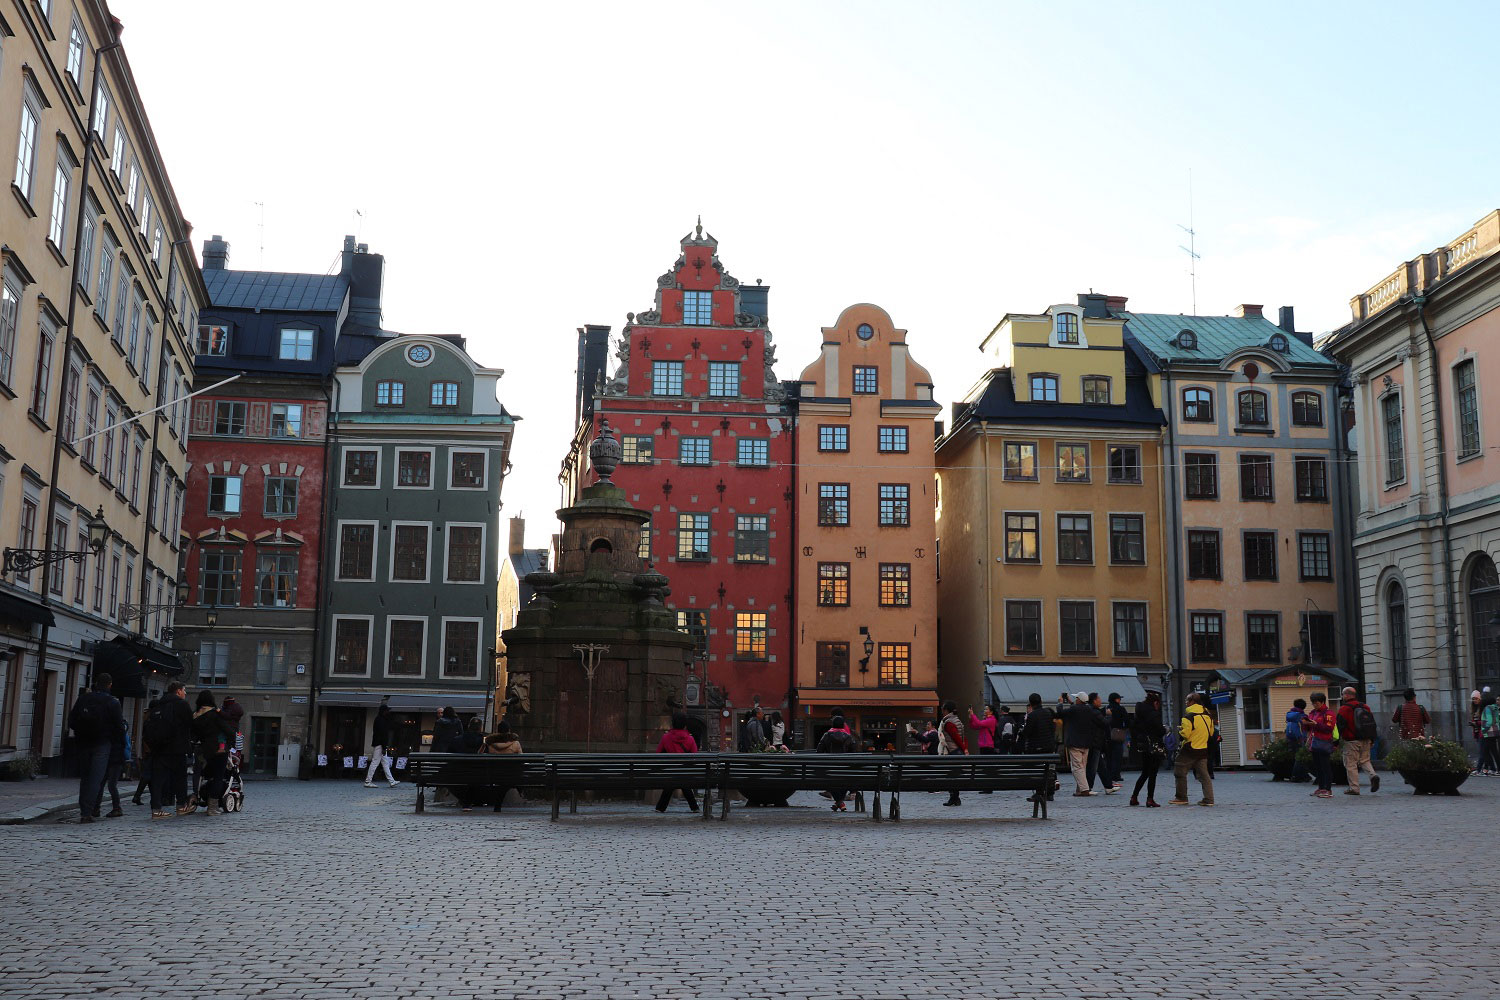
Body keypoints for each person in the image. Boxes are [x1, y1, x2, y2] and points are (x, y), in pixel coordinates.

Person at [69, 673, 124, 824]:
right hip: (102, 743)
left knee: (85, 778)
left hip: (83, 743)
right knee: (96, 779)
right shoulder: (113, 702)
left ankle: (84, 810)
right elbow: (120, 728)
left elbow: (72, 721)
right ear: (110, 685)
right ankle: (88, 811)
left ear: (95, 683)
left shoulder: (83, 699)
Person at [145, 681, 195, 819]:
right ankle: (181, 806)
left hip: (159, 749)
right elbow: (191, 724)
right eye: (184, 691)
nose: (185, 693)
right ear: (178, 691)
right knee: (180, 778)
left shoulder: (159, 704)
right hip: (177, 748)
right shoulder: (182, 704)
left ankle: (156, 809)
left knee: (158, 780)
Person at [190, 691, 237, 816]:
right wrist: (230, 742)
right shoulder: (214, 714)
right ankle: (212, 807)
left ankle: (197, 796)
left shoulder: (195, 715)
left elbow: (193, 735)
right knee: (217, 777)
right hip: (218, 750)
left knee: (201, 775)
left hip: (203, 750)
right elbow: (229, 731)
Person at [1169, 693, 1215, 806]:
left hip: (1189, 749)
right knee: (1204, 775)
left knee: (1179, 772)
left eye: (1187, 700)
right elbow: (1211, 733)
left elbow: (1186, 734)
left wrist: (1180, 730)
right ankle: (1209, 799)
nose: (1185, 702)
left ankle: (1181, 797)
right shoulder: (1207, 716)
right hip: (1203, 749)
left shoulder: (1188, 717)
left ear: (1192, 702)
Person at [1335, 686, 1379, 795]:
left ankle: (1354, 788)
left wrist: (1335, 742)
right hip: (1366, 739)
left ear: (1347, 695)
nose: (1342, 696)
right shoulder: (1365, 707)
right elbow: (1372, 724)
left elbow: (1339, 727)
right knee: (1365, 760)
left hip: (1351, 740)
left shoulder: (1343, 709)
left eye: (1343, 694)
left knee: (1351, 764)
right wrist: (1372, 739)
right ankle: (1373, 775)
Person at [1059, 692, 1105, 797]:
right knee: (1082, 767)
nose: (1075, 700)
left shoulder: (1075, 709)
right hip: (1087, 743)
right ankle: (1079, 790)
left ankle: (1084, 789)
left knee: (1077, 767)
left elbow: (1061, 712)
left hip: (1075, 742)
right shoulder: (1089, 710)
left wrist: (1060, 703)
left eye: (1076, 699)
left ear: (1079, 700)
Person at [655, 711, 700, 813]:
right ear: (684, 724)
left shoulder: (665, 737)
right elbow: (695, 757)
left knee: (673, 780)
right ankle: (694, 807)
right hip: (685, 773)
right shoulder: (690, 739)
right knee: (683, 780)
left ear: (673, 723)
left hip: (670, 772)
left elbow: (658, 754)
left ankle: (660, 807)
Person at [1017, 694, 1058, 803]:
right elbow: (1053, 728)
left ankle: (1039, 792)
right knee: (1049, 769)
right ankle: (1050, 792)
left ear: (1030, 703)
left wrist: (1021, 733)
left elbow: (1027, 732)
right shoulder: (1048, 713)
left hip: (1036, 748)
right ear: (1041, 701)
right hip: (1049, 746)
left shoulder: (1032, 715)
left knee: (1037, 770)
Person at [1129, 691, 1166, 807]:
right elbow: (1160, 730)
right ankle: (1150, 799)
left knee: (1144, 772)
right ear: (1155, 703)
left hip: (1143, 745)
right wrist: (1165, 730)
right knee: (1153, 773)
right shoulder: (1153, 714)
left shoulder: (1139, 713)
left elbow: (1134, 728)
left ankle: (1134, 797)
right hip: (1154, 745)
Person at [816, 715, 858, 811]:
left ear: (832, 724)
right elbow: (854, 753)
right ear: (843, 725)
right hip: (845, 770)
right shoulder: (849, 737)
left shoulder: (826, 735)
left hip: (829, 769)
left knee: (830, 780)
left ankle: (839, 802)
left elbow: (819, 751)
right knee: (845, 780)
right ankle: (839, 802)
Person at [1305, 692, 1337, 798]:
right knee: (1318, 767)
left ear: (1322, 702)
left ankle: (1328, 789)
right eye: (1313, 703)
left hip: (1324, 742)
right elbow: (1308, 728)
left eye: (1317, 703)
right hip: (1314, 743)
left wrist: (1316, 724)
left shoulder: (1328, 713)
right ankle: (1321, 787)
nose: (1315, 705)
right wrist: (1305, 724)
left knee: (1325, 766)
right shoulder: (1312, 713)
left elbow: (1328, 728)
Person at [937, 701, 968, 806]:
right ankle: (955, 798)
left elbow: (956, 738)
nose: (941, 711)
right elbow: (963, 737)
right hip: (958, 751)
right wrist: (965, 749)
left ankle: (954, 798)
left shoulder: (948, 722)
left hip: (952, 751)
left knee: (951, 776)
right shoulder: (957, 720)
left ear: (946, 710)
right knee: (955, 775)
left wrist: (964, 749)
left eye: (942, 709)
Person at [364, 704, 401, 788]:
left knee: (385, 763)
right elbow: (382, 735)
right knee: (375, 762)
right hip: (380, 744)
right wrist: (384, 747)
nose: (388, 712)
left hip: (379, 744)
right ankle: (368, 781)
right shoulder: (381, 720)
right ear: (384, 711)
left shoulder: (379, 719)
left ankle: (391, 781)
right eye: (387, 710)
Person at [1103, 693, 1129, 792]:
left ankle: (1109, 773)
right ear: (1116, 700)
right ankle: (1116, 774)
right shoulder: (1121, 709)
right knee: (1117, 755)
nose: (1120, 700)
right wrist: (1124, 727)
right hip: (1118, 734)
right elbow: (1127, 720)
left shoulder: (1106, 708)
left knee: (1108, 756)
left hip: (1108, 735)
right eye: (1119, 698)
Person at [968, 705, 998, 792]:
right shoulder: (986, 720)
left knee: (987, 767)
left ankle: (988, 787)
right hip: (984, 745)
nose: (984, 710)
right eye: (984, 708)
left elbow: (978, 724)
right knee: (985, 767)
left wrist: (973, 715)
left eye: (986, 709)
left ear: (991, 712)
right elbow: (974, 726)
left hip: (988, 746)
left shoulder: (991, 720)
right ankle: (986, 787)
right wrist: (970, 719)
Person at [1284, 698, 1311, 783]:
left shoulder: (1290, 714)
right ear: (1304, 707)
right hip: (1300, 739)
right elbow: (1308, 726)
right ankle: (1296, 776)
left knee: (1296, 757)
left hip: (1290, 738)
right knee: (1300, 758)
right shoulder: (1302, 716)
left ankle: (1303, 775)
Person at [1479, 689, 1500, 775]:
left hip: (1488, 733)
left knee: (1485, 752)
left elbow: (1489, 721)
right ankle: (1496, 769)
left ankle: (1492, 768)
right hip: (1494, 733)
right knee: (1494, 752)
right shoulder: (1494, 708)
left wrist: (1484, 729)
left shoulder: (1487, 708)